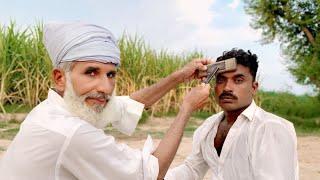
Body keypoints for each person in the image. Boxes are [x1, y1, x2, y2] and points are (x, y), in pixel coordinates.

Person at [0, 22, 211, 180]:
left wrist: (179, 76)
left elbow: (128, 105)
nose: (105, 88)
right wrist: (186, 107)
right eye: (91, 72)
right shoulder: (70, 132)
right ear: (60, 77)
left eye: (110, 75)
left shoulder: (57, 108)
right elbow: (152, 173)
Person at [165, 48, 299, 180]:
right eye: (221, 80)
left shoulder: (269, 128)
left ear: (254, 87)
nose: (227, 87)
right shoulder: (209, 126)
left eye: (238, 80)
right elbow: (192, 169)